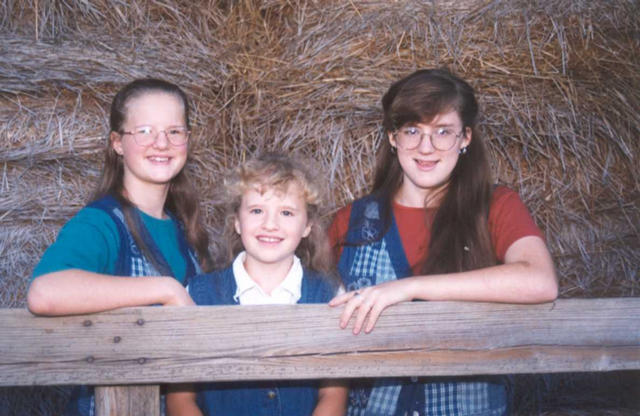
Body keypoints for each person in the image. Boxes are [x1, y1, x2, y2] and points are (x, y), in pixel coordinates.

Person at [328, 68, 558, 415]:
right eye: (412, 131)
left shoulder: (496, 206)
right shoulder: (351, 221)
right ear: (393, 138)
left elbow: (540, 281)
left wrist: (408, 288)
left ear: (465, 138)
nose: (426, 147)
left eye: (442, 132)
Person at [27, 78, 213, 415]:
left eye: (174, 131)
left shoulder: (187, 231)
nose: (162, 143)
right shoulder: (100, 224)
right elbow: (45, 292)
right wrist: (165, 289)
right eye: (144, 131)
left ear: (188, 140)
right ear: (117, 143)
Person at [166, 153, 348, 416]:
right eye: (256, 211)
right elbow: (180, 398)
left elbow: (334, 391)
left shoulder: (330, 295)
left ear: (307, 225)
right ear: (237, 221)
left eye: (286, 212)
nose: (270, 224)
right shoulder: (198, 294)